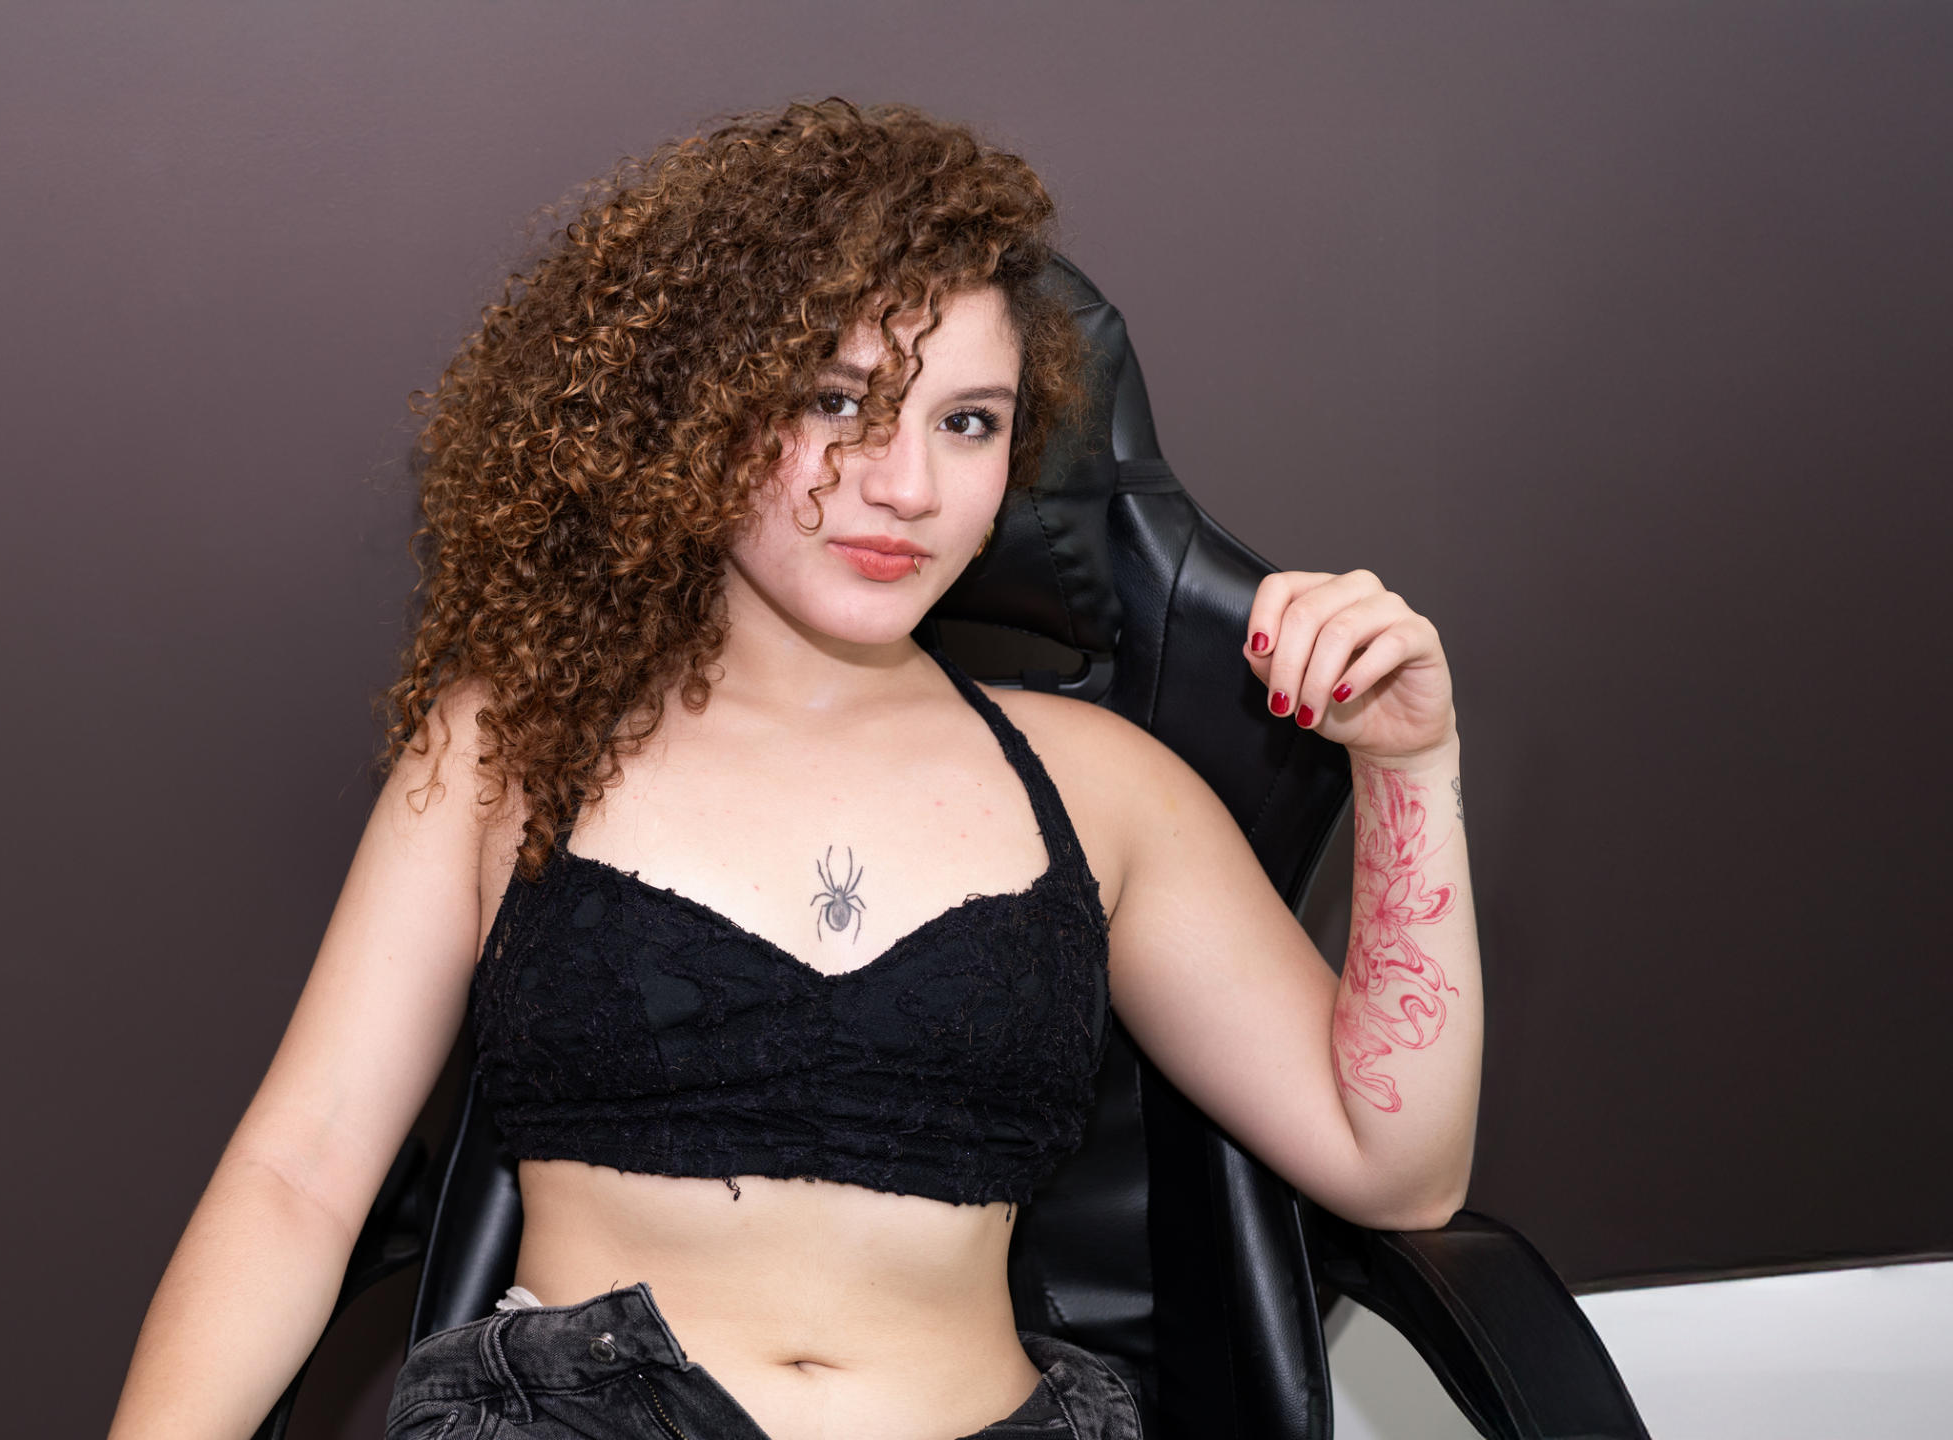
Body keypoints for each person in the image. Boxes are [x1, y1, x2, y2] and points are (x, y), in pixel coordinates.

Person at [107, 98, 1481, 1440]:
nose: (907, 487)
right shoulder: (515, 740)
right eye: (838, 402)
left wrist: (1409, 767)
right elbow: (299, 1177)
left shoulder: (1104, 787)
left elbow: (1396, 1168)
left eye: (968, 422)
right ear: (698, 414)